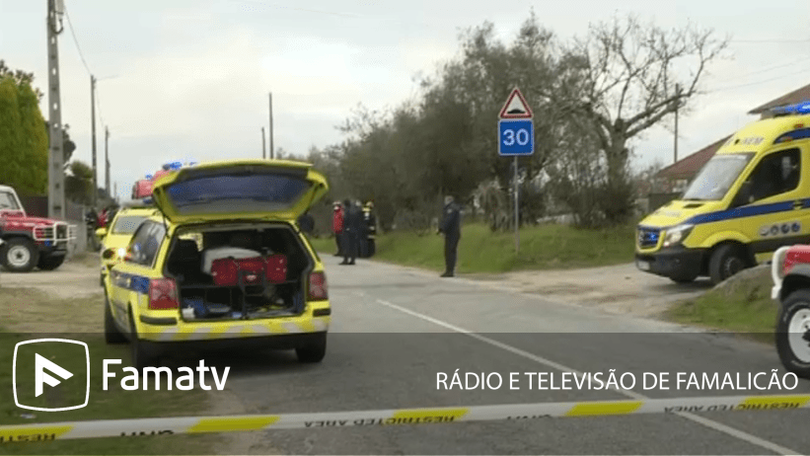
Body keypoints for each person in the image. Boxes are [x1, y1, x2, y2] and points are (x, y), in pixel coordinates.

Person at [437, 195, 461, 277]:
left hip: (452, 234)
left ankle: (450, 271)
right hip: (451, 233)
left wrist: (442, 229)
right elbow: (445, 219)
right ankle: (449, 270)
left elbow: (448, 220)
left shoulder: (451, 208)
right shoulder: (451, 208)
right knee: (448, 252)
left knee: (450, 252)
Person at [340, 199, 361, 265]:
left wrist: (345, 227)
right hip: (355, 230)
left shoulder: (347, 210)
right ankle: (352, 260)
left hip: (348, 230)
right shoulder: (356, 210)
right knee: (353, 245)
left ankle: (346, 260)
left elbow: (345, 219)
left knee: (346, 245)